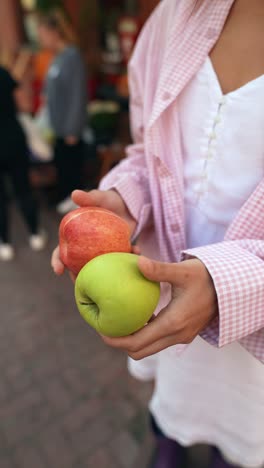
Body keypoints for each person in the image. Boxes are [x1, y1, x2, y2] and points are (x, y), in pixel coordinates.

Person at [52, 1, 264, 467]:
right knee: (173, 420)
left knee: (242, 441)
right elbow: (150, 152)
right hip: (163, 305)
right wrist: (125, 201)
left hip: (255, 356)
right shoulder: (175, 16)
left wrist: (228, 284)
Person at [37, 9, 87, 214]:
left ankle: (75, 199)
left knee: (72, 165)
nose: (41, 40)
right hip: (57, 125)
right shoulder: (55, 58)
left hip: (69, 127)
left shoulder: (71, 56)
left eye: (43, 35)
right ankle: (67, 195)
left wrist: (73, 129)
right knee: (62, 164)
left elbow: (77, 93)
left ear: (54, 32)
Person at [0, 60, 47, 261]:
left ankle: (4, 243)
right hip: (13, 139)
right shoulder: (3, 72)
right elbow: (22, 103)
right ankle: (35, 233)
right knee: (24, 189)